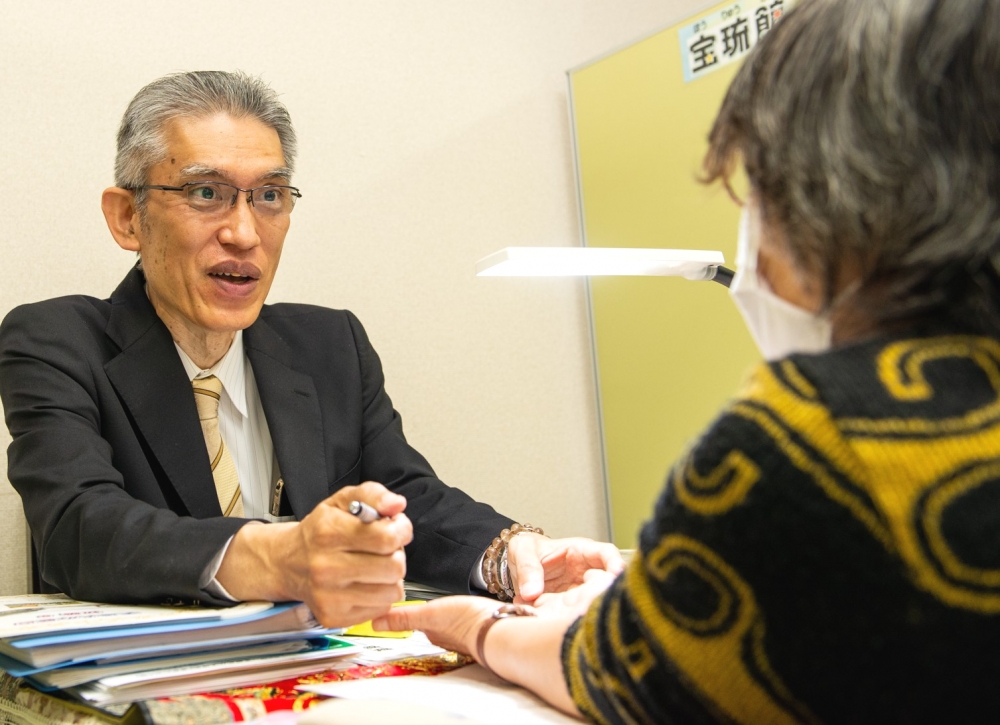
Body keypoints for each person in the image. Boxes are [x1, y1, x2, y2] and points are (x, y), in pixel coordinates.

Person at [376, 0, 1000, 721]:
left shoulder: (819, 433)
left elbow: (622, 670)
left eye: (755, 187)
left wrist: (478, 626)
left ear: (829, 192)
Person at [0, 71, 622, 627]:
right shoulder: (55, 341)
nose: (243, 233)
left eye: (269, 195)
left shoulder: (331, 345)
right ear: (126, 219)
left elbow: (408, 498)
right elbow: (80, 528)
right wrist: (280, 555)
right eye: (204, 193)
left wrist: (509, 553)